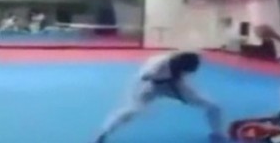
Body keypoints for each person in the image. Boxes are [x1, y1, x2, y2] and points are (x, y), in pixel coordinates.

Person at [93, 51, 224, 143]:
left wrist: (182, 96)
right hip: (149, 86)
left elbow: (178, 79)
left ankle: (217, 133)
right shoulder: (156, 65)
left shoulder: (181, 64)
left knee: (213, 106)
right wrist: (141, 104)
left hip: (174, 84)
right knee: (132, 110)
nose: (187, 73)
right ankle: (103, 132)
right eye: (186, 71)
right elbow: (143, 78)